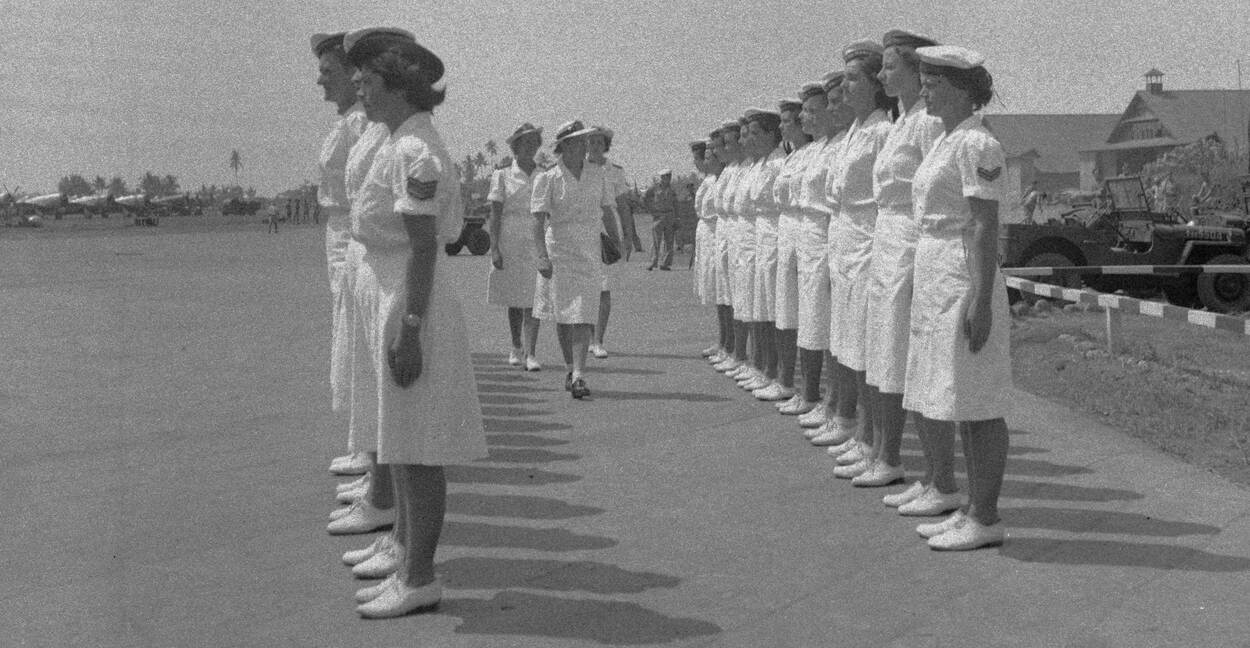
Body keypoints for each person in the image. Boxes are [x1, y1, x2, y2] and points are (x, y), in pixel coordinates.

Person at [335, 27, 488, 616]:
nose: (360, 91)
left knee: (418, 446)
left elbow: (427, 247)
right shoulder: (398, 139)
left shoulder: (414, 150)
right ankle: (403, 554)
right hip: (389, 288)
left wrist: (412, 328)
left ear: (398, 84)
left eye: (368, 81)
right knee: (399, 437)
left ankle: (420, 577)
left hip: (409, 297)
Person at [905, 44, 1012, 550]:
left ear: (960, 90)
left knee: (978, 398)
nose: (923, 89)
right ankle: (970, 508)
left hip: (962, 274)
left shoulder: (976, 144)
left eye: (932, 82)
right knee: (954, 393)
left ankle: (986, 517)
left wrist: (980, 297)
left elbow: (983, 223)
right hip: (937, 273)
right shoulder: (946, 140)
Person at [857, 30, 947, 491]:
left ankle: (897, 457)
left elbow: (936, 191)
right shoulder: (900, 121)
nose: (882, 74)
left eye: (891, 66)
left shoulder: (929, 122)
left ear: (917, 70)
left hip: (911, 237)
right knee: (883, 349)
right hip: (886, 235)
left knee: (900, 352)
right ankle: (883, 451)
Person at [312, 31, 374, 479]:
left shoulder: (359, 124)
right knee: (348, 340)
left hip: (351, 233)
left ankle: (372, 458)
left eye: (328, 72)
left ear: (355, 77)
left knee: (357, 342)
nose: (320, 81)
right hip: (338, 233)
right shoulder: (348, 121)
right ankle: (362, 446)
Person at [531, 120, 622, 399]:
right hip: (559, 249)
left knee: (584, 311)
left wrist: (616, 240)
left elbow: (607, 210)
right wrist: (541, 257)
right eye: (579, 141)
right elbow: (536, 221)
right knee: (563, 313)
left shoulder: (598, 175)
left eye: (586, 141)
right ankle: (570, 368)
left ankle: (580, 374)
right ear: (565, 145)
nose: (585, 146)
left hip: (589, 249)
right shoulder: (547, 178)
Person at [763, 98, 814, 403]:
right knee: (785, 310)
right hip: (787, 232)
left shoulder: (810, 153)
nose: (783, 126)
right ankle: (784, 379)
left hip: (807, 230)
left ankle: (808, 391)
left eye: (787, 121)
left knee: (809, 317)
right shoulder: (791, 157)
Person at [487, 123, 545, 372]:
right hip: (510, 237)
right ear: (516, 147)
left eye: (534, 143)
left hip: (536, 236)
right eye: (525, 144)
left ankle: (531, 353)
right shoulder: (501, 175)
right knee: (514, 297)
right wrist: (494, 248)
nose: (530, 148)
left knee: (535, 295)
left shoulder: (543, 174)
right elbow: (495, 214)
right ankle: (515, 346)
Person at [740, 109, 787, 398]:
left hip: (774, 234)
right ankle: (763, 367)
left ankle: (777, 373)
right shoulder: (759, 164)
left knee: (774, 309)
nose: (750, 140)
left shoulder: (779, 162)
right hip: (758, 234)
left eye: (755, 133)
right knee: (760, 306)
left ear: (772, 134)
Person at [585, 126, 631, 358]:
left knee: (604, 288)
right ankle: (588, 337)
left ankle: (599, 340)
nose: (594, 146)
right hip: (585, 228)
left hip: (608, 230)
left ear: (606, 145)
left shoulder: (615, 171)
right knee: (588, 286)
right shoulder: (579, 168)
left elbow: (622, 206)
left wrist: (628, 236)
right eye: (590, 142)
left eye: (598, 142)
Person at [691, 139, 723, 357]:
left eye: (707, 157)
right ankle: (722, 340)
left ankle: (726, 342)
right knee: (715, 290)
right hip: (705, 233)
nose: (702, 161)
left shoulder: (720, 179)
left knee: (721, 290)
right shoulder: (708, 180)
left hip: (715, 233)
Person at [647, 171, 678, 270]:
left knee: (669, 241)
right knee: (656, 241)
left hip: (670, 216)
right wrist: (651, 210)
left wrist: (677, 218)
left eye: (669, 177)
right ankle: (653, 262)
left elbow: (676, 204)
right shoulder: (654, 188)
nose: (667, 179)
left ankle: (665, 263)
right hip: (658, 216)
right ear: (661, 177)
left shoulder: (672, 189)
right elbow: (645, 199)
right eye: (665, 177)